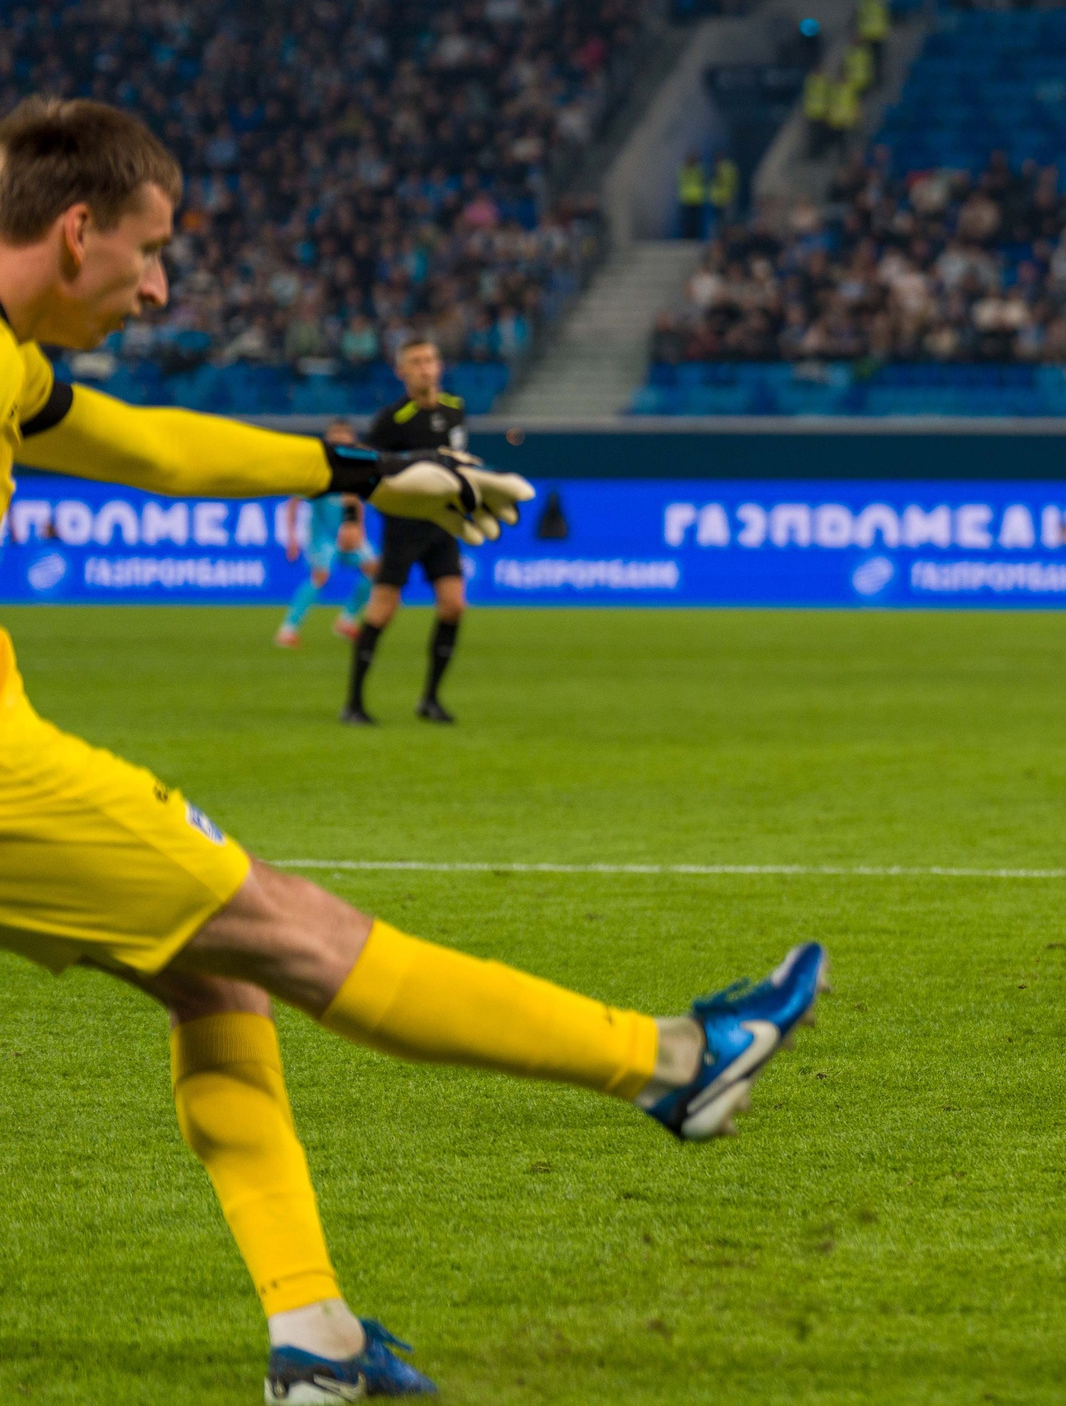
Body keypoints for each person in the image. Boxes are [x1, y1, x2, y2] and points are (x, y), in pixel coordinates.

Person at [0, 98, 824, 1400]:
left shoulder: (17, 366)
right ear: (76, 228)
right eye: (151, 253)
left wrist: (364, 475)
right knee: (296, 932)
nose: (160, 288)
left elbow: (150, 445)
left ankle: (313, 1337)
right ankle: (673, 1060)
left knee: (217, 983)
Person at [344, 341, 472, 725]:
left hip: (442, 523)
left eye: (431, 360)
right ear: (402, 372)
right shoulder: (392, 420)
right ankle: (353, 704)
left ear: (440, 366)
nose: (425, 368)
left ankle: (430, 699)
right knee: (383, 610)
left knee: (453, 604)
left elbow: (459, 462)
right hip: (403, 526)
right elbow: (360, 469)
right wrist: (352, 518)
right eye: (416, 362)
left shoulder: (454, 410)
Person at [273, 418, 376, 649]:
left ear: (352, 440)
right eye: (335, 437)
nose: (340, 441)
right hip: (323, 537)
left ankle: (346, 620)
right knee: (321, 575)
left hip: (347, 537)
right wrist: (292, 538)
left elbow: (356, 502)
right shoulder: (317, 470)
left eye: (344, 436)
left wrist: (359, 531)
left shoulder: (356, 469)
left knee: (375, 569)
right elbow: (293, 505)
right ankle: (287, 629)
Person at [676, 153, 708, 239]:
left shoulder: (699, 169)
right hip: (686, 198)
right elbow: (680, 180)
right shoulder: (683, 169)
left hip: (697, 198)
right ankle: (686, 237)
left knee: (696, 221)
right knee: (686, 221)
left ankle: (695, 237)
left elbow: (703, 181)